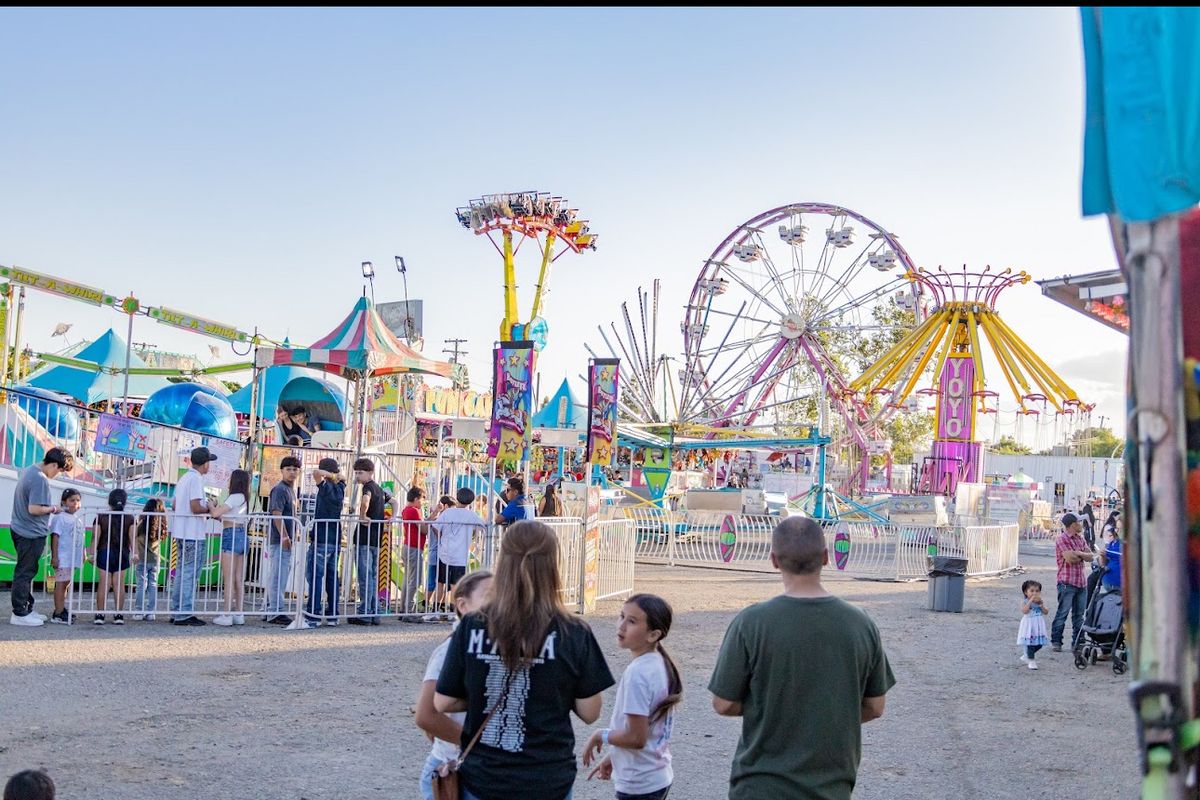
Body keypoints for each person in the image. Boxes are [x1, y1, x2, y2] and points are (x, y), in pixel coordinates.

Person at [708, 516, 895, 800]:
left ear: (773, 560)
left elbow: (724, 704)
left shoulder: (751, 623)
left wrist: (772, 708)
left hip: (760, 786)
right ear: (826, 557)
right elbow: (875, 706)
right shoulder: (861, 624)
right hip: (831, 787)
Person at [435, 521, 615, 800]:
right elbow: (590, 712)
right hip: (547, 777)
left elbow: (442, 701)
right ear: (553, 565)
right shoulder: (573, 631)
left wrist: (479, 692)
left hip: (485, 776)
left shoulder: (473, 625)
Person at [583, 594, 681, 800]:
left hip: (640, 785)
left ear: (653, 635)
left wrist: (600, 734)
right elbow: (648, 729)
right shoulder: (658, 663)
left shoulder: (638, 673)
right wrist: (615, 756)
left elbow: (637, 738)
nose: (622, 625)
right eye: (622, 616)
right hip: (657, 776)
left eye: (632, 621)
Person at [415, 569, 494, 800]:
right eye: (489, 595)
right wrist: (478, 743)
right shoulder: (449, 651)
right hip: (453, 769)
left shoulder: (492, 647)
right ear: (463, 605)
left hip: (479, 766)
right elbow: (426, 715)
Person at [9, 447, 71, 627]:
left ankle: (26, 608)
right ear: (53, 464)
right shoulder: (39, 479)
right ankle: (20, 612)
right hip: (29, 533)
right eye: (60, 470)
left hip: (21, 529)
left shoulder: (30, 470)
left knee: (26, 571)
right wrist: (53, 508)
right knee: (25, 572)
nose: (59, 474)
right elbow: (34, 509)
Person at [171, 447, 217, 626]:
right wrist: (210, 507)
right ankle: (185, 612)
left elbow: (175, 505)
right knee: (190, 572)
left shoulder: (184, 478)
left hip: (181, 531)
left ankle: (177, 610)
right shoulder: (196, 479)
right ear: (205, 464)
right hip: (193, 532)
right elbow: (195, 507)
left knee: (182, 571)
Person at [305, 457, 346, 627]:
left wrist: (329, 475)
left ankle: (313, 615)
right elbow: (342, 478)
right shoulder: (341, 487)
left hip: (321, 537)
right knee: (331, 578)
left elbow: (316, 473)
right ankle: (333, 615)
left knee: (315, 576)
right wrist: (336, 475)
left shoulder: (325, 487)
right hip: (334, 538)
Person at [350, 458, 390, 626]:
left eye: (361, 473)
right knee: (372, 576)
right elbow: (393, 501)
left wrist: (362, 516)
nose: (358, 476)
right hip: (376, 538)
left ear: (370, 473)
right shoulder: (380, 489)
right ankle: (374, 611)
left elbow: (365, 501)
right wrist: (391, 517)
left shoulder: (368, 488)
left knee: (365, 576)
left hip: (364, 538)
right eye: (357, 473)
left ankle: (366, 611)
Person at [210, 469, 251, 627]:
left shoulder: (234, 497)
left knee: (228, 577)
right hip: (242, 534)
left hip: (230, 534)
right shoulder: (244, 499)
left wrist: (210, 504)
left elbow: (215, 513)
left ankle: (226, 613)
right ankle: (238, 613)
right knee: (238, 577)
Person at [1050, 512, 1094, 652]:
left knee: (1079, 615)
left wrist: (1079, 554)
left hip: (1081, 582)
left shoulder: (1080, 538)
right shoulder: (1062, 539)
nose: (1080, 524)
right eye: (1078, 522)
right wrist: (1081, 554)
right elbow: (1070, 559)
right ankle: (1056, 641)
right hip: (1066, 582)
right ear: (1072, 525)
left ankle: (1078, 641)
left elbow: (1090, 557)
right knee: (1062, 613)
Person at [266, 455, 301, 624]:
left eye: (295, 469)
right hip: (279, 539)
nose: (292, 472)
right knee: (278, 576)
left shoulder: (291, 490)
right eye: (288, 469)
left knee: (278, 575)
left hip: (285, 538)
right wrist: (285, 535)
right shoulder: (280, 489)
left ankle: (270, 609)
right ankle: (275, 610)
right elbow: (276, 514)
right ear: (282, 471)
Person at [91, 489, 135, 625]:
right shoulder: (129, 518)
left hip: (104, 551)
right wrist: (136, 553)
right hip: (122, 552)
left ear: (109, 501)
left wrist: (92, 553)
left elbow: (95, 538)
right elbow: (132, 538)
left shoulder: (101, 517)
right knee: (119, 584)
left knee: (104, 583)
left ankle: (100, 614)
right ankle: (118, 614)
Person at [434, 487, 485, 597]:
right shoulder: (472, 515)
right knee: (456, 585)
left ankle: (435, 609)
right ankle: (453, 610)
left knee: (440, 582)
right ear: (471, 501)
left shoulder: (448, 512)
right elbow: (484, 526)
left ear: (457, 498)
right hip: (460, 556)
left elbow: (435, 526)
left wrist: (440, 537)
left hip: (445, 552)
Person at [48, 489, 84, 625]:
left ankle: (62, 608)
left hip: (72, 557)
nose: (75, 503)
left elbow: (80, 537)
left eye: (78, 500)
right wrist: (55, 556)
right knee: (61, 584)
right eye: (72, 500)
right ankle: (57, 612)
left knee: (66, 584)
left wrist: (84, 553)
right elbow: (55, 537)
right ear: (64, 502)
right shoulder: (60, 517)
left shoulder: (76, 518)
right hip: (63, 557)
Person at [131, 498, 167, 621]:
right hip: (155, 559)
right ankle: (151, 612)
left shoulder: (141, 524)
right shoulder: (161, 526)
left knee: (141, 585)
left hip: (141, 558)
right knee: (153, 585)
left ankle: (138, 611)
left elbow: (133, 536)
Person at [397, 485, 427, 619]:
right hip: (414, 547)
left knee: (407, 580)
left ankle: (404, 608)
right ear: (416, 499)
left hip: (407, 546)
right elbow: (424, 529)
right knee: (415, 581)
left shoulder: (405, 510)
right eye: (421, 500)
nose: (422, 503)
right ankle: (409, 611)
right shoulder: (414, 511)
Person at [426, 495, 454, 613]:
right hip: (437, 555)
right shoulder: (438, 520)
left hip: (439, 555)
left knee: (440, 583)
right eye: (452, 508)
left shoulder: (440, 520)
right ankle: (427, 605)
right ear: (446, 506)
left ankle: (438, 606)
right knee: (436, 582)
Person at [1017, 580, 1050, 670]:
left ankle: (1026, 655)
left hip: (1038, 625)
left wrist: (1041, 605)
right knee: (1031, 643)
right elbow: (1024, 611)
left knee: (1039, 644)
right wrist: (1030, 601)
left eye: (1037, 591)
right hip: (1029, 625)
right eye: (1032, 591)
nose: (1035, 593)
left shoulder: (1040, 602)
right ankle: (1031, 661)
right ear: (1025, 592)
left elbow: (1046, 612)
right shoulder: (1025, 601)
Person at [1097, 514, 1123, 591]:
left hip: (1120, 585)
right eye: (1116, 528)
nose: (1117, 531)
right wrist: (1102, 556)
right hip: (1109, 582)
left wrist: (1108, 552)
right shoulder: (1114, 542)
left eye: (1120, 529)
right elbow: (1103, 564)